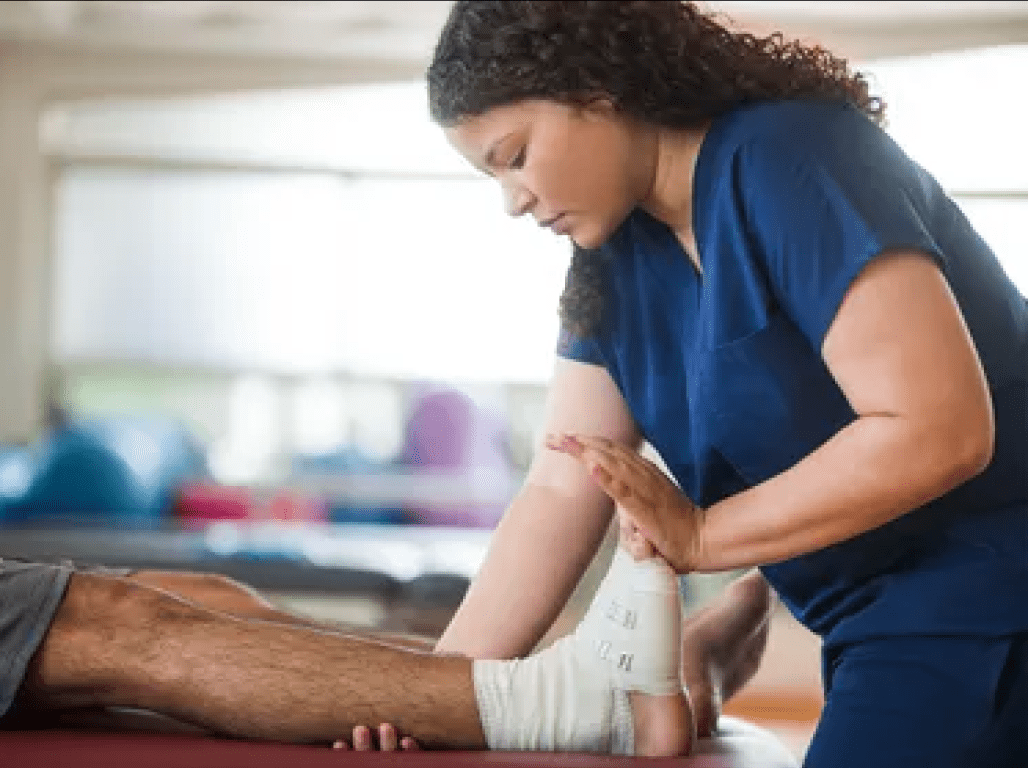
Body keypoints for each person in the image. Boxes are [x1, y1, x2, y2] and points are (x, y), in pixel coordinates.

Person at [426, 1, 1028, 766]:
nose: (513, 200)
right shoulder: (614, 261)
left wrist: (704, 536)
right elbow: (560, 480)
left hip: (992, 588)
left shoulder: (790, 155)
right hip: (883, 621)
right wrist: (433, 693)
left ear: (598, 88)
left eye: (514, 155)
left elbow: (939, 429)